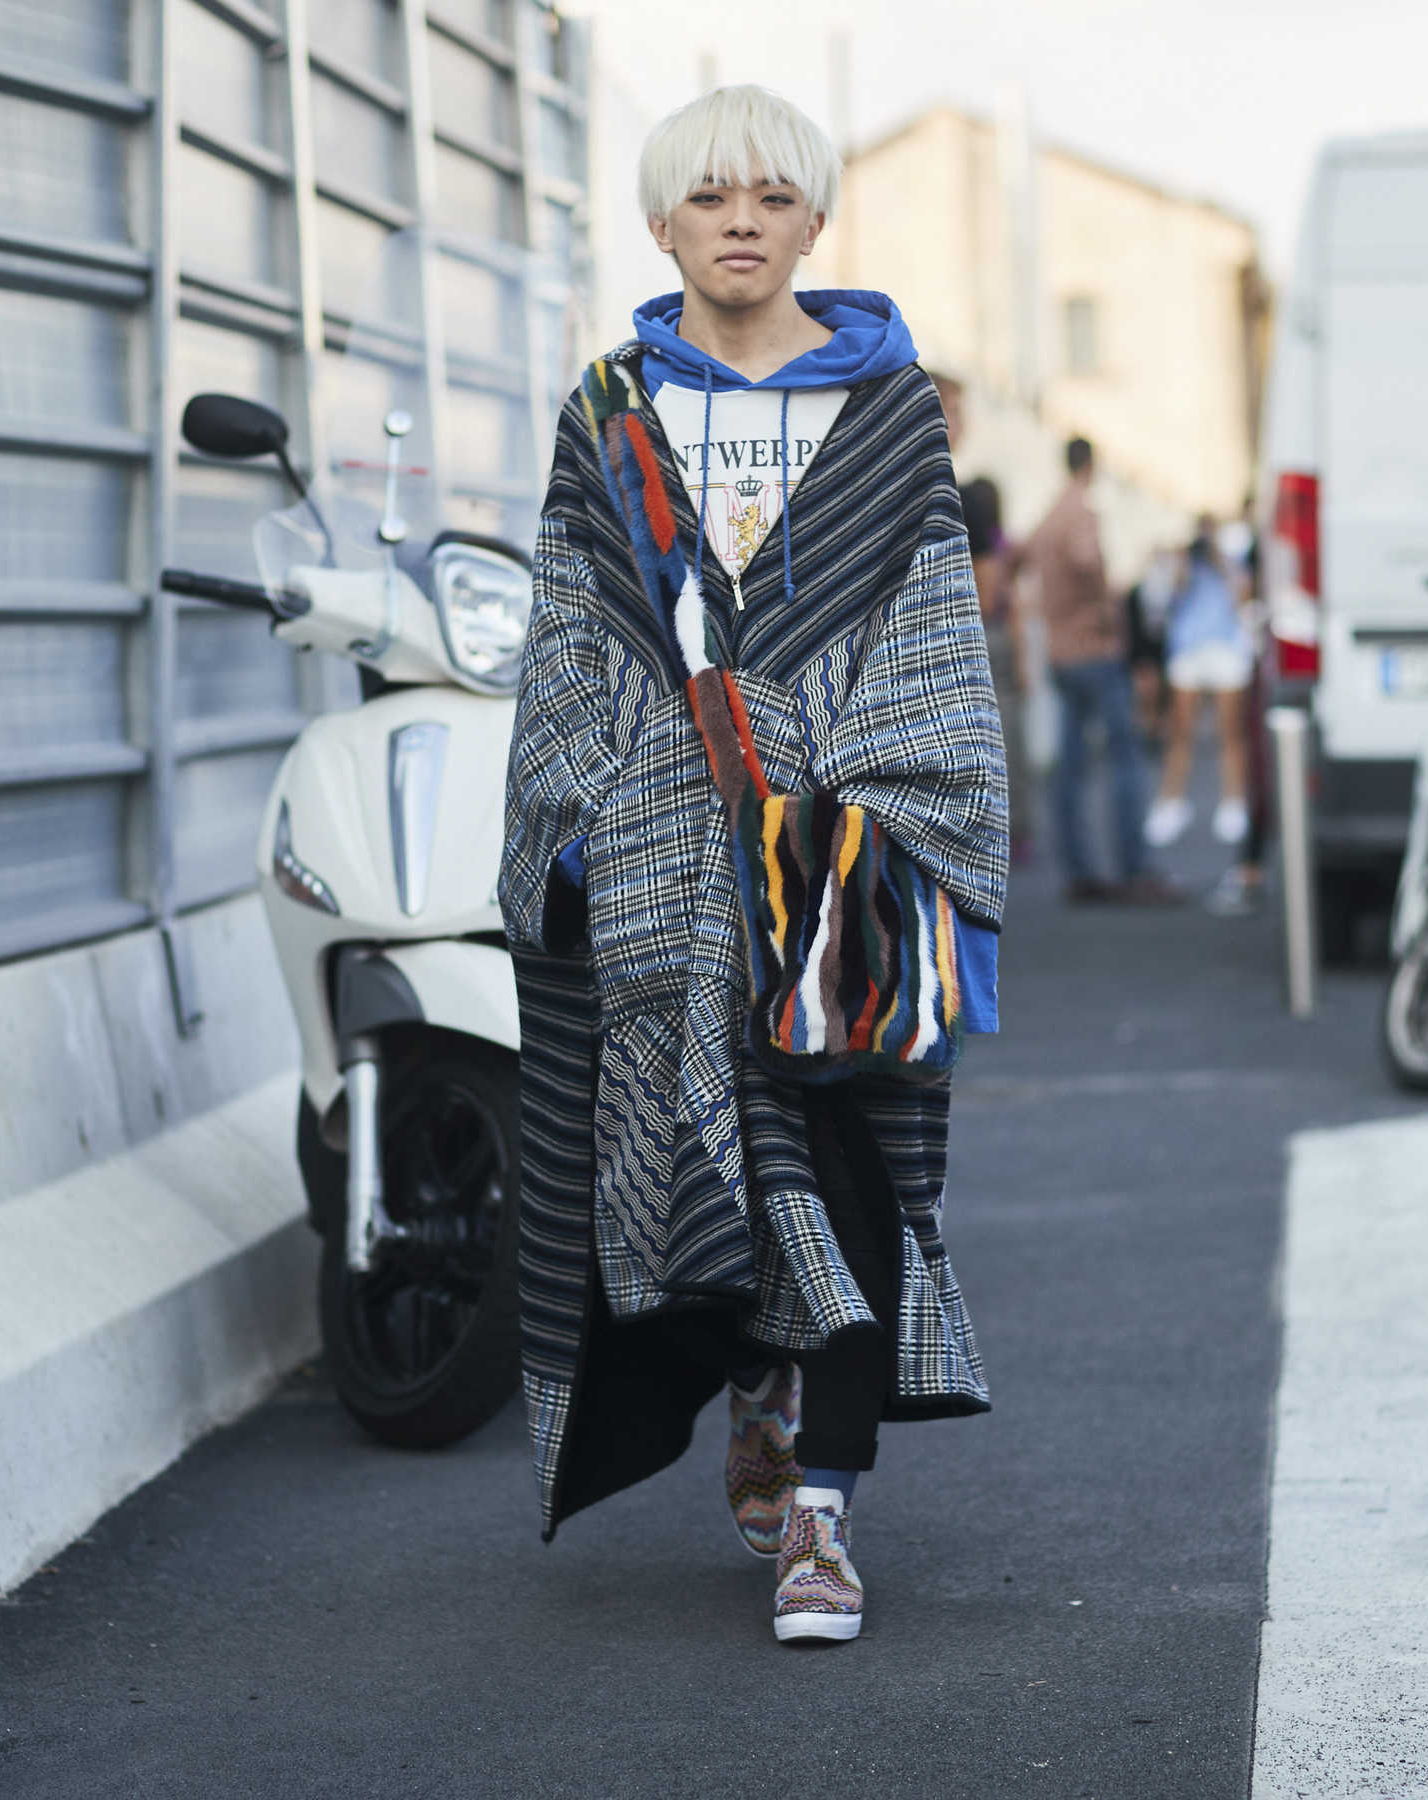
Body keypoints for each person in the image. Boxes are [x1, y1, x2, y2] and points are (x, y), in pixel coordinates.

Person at [500, 85, 1007, 1648]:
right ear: (660, 223)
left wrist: (868, 815)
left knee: (857, 1170)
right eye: (710, 196)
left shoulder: (894, 413)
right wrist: (576, 823)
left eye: (773, 196)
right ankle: (756, 1381)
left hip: (848, 860)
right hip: (665, 859)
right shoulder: (607, 412)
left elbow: (932, 636)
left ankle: (824, 1516)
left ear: (814, 221)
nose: (741, 220)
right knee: (698, 1164)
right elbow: (569, 637)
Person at [1022, 437, 1168, 902]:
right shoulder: (1081, 513)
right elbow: (1087, 559)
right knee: (1125, 758)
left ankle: (1079, 869)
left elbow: (1018, 557)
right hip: (1095, 649)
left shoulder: (1047, 516)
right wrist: (1109, 614)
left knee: (1069, 767)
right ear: (1092, 466)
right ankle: (1133, 866)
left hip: (1062, 653)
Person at [1145, 518, 1262, 913]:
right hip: (1189, 648)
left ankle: (1233, 802)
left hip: (1226, 648)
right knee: (1181, 733)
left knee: (1231, 733)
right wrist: (1182, 562)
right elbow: (1167, 597)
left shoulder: (1232, 558)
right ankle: (1171, 802)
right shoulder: (1183, 561)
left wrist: (1220, 562)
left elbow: (1243, 599)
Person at [961, 475, 1033, 866]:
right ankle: (1015, 831)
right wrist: (1023, 663)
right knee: (1009, 742)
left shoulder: (981, 545)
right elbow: (1009, 606)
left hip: (980, 641)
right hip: (998, 640)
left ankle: (993, 830)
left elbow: (991, 601)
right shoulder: (1001, 545)